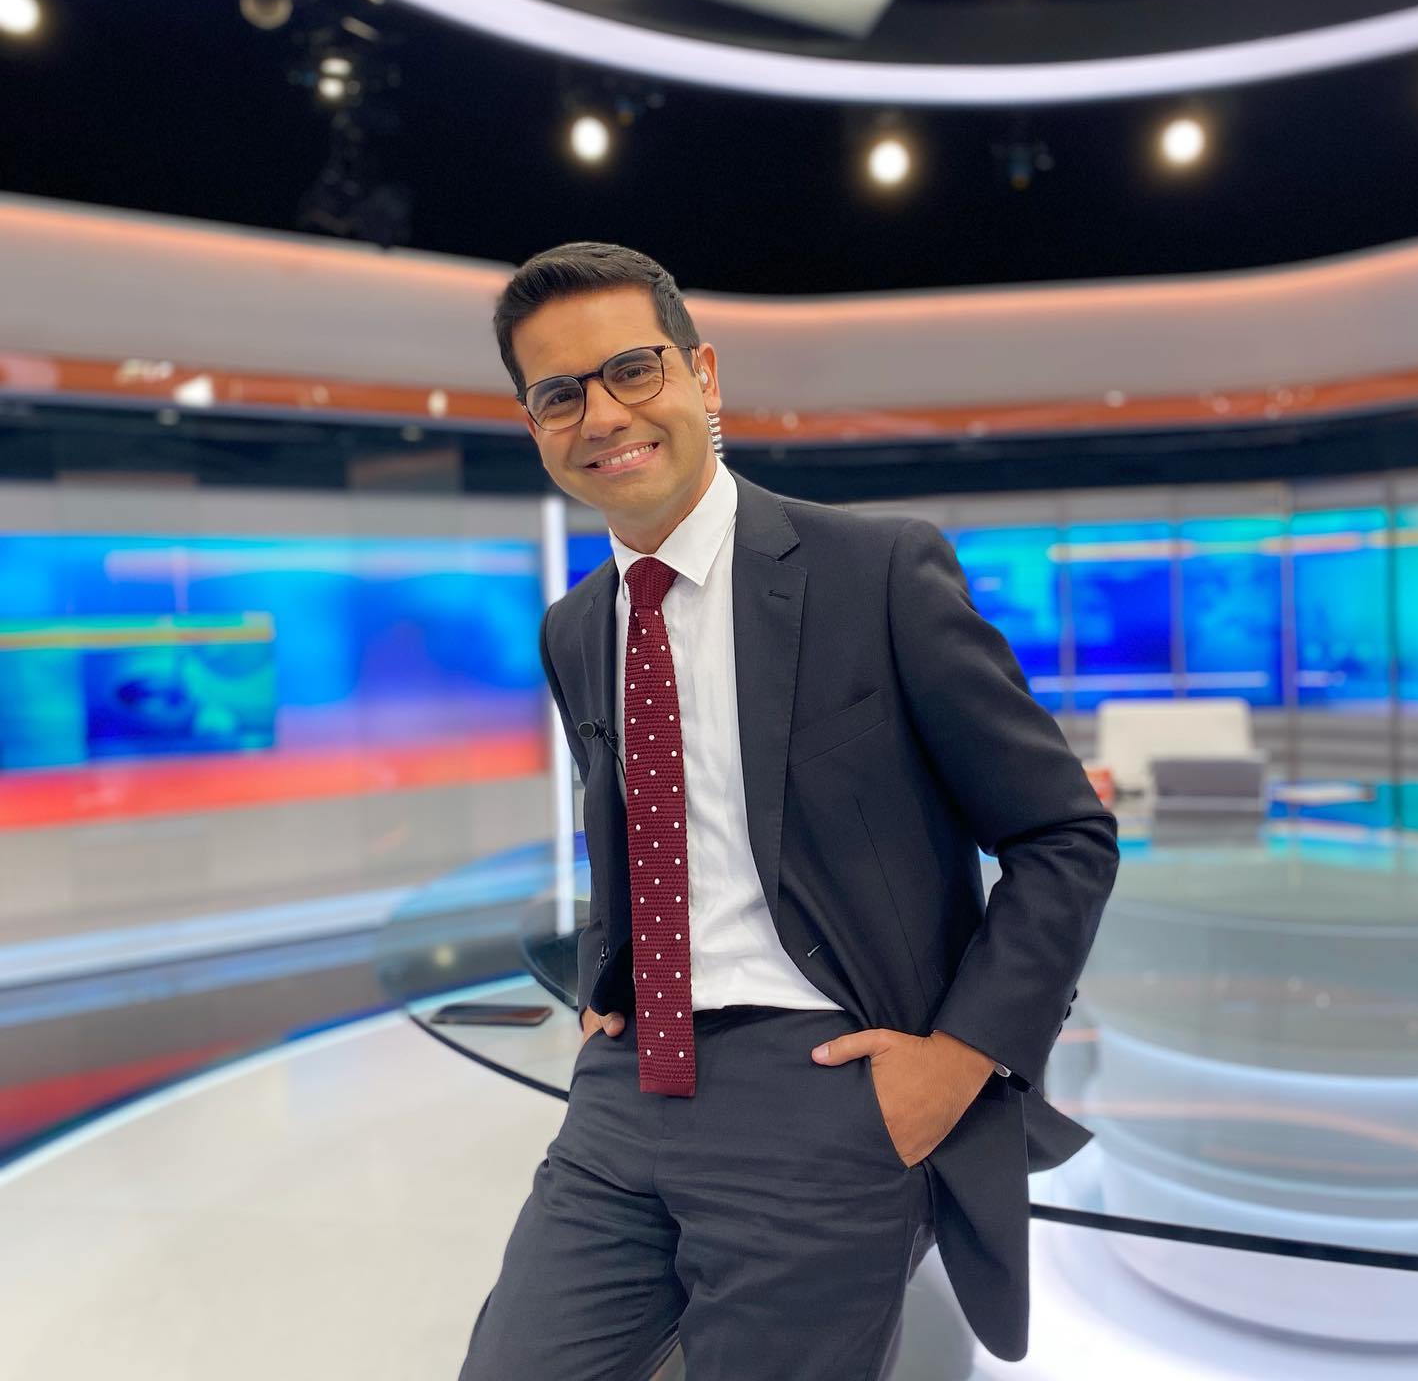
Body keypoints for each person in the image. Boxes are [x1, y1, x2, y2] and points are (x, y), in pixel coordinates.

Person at [457, 242, 1119, 1380]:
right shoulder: (577, 627)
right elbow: (628, 820)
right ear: (535, 425)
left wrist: (956, 1061)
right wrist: (611, 976)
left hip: (828, 1092)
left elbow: (1062, 836)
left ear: (702, 375)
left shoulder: (877, 572)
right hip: (625, 1091)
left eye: (632, 370)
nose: (602, 414)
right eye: (559, 394)